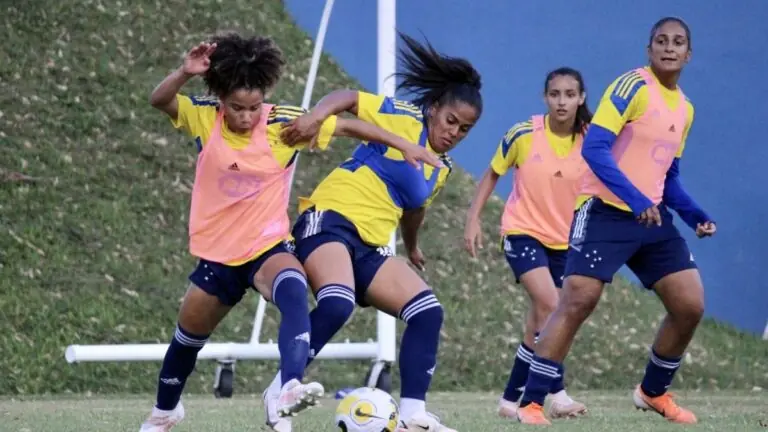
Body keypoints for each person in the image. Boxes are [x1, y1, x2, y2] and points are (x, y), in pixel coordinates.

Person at [139, 32, 443, 432]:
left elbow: (350, 127)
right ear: (220, 98)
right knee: (187, 341)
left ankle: (287, 389)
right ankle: (166, 411)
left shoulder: (282, 123)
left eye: (253, 106)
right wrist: (183, 72)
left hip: (267, 246)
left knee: (294, 286)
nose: (247, 117)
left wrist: (401, 144)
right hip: (218, 252)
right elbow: (159, 101)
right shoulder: (203, 118)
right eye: (237, 108)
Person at [261, 32, 483, 432]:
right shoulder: (403, 117)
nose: (454, 132)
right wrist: (314, 116)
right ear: (433, 108)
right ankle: (281, 389)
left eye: (464, 129)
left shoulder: (442, 168)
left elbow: (414, 209)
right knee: (338, 301)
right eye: (451, 120)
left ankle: (414, 415)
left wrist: (413, 247)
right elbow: (347, 97)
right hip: (329, 220)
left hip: (370, 246)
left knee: (427, 312)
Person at [515, 17, 716, 426]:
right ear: (649, 50)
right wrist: (635, 198)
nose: (669, 47)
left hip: (651, 218)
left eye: (678, 42)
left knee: (689, 303)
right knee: (576, 302)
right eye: (660, 41)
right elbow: (596, 147)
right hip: (605, 212)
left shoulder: (686, 109)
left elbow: (669, 178)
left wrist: (696, 215)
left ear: (689, 54)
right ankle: (532, 403)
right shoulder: (633, 86)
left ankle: (652, 392)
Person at [464, 67, 592, 420]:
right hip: (522, 233)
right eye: (555, 94)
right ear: (544, 97)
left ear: (581, 98)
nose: (562, 101)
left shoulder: (591, 139)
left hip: (566, 242)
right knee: (552, 305)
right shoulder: (523, 134)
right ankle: (558, 394)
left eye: (569, 94)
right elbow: (492, 174)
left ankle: (509, 400)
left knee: (539, 323)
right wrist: (473, 220)